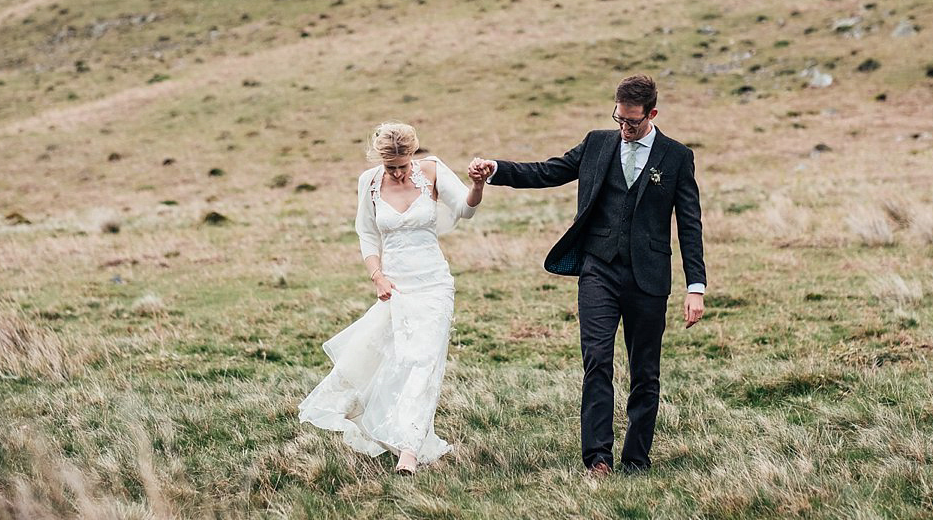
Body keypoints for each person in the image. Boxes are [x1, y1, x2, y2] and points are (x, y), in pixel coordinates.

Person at [468, 74, 705, 476]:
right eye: (619, 119)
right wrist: (496, 169)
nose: (624, 128)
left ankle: (636, 459)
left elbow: (689, 222)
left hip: (649, 277)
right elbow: (548, 171)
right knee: (597, 360)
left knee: (645, 370)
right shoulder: (597, 143)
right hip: (598, 269)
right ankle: (597, 457)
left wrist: (695, 286)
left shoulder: (676, 156)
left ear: (652, 114)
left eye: (632, 122)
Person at [299, 122, 485, 475]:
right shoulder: (368, 182)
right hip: (395, 285)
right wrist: (377, 276)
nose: (398, 173)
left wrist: (477, 185)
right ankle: (385, 426)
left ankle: (409, 451)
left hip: (433, 284)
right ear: (380, 160)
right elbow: (367, 235)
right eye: (391, 167)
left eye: (403, 165)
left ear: (412, 155)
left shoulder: (431, 169)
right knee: (393, 361)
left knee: (423, 363)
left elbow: (464, 209)